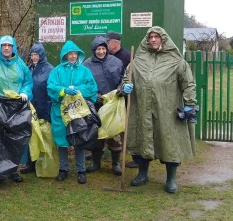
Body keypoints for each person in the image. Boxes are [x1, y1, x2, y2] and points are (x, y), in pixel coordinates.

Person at [120, 26, 197, 194]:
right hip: (142, 109)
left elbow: (189, 84)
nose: (153, 39)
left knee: (169, 142)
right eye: (151, 37)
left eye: (156, 37)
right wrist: (125, 85)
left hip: (166, 110)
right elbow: (127, 76)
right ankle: (142, 174)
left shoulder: (176, 61)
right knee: (142, 140)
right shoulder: (138, 60)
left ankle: (171, 178)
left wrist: (189, 103)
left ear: (163, 39)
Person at [0, 35, 33, 184]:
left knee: (15, 138)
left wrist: (25, 93)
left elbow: (28, 82)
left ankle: (13, 170)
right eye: (4, 45)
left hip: (15, 107)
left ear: (13, 47)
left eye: (9, 45)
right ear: (0, 47)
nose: (7, 48)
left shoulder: (20, 64)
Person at [47, 41, 97, 184]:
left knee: (79, 139)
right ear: (65, 55)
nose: (73, 56)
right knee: (62, 141)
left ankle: (81, 170)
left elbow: (92, 87)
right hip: (60, 112)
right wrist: (64, 90)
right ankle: (63, 169)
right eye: (70, 53)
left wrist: (78, 89)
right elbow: (51, 87)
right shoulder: (56, 71)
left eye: (75, 53)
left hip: (78, 111)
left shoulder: (84, 70)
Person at [83, 36, 124, 176]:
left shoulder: (116, 62)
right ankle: (96, 162)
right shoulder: (86, 65)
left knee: (114, 132)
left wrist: (121, 90)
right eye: (98, 49)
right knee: (97, 133)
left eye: (103, 49)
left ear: (106, 49)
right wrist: (94, 96)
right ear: (94, 50)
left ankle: (116, 163)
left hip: (113, 104)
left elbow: (123, 79)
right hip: (96, 105)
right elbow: (84, 83)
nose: (101, 52)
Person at [105, 30, 138, 168]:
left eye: (108, 42)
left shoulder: (127, 57)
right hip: (112, 97)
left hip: (126, 98)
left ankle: (135, 157)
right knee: (110, 124)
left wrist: (126, 88)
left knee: (127, 128)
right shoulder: (107, 56)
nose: (106, 45)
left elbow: (133, 76)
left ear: (115, 42)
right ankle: (103, 151)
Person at [20, 41, 54, 174]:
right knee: (31, 135)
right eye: (32, 55)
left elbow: (50, 89)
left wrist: (48, 109)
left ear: (42, 55)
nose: (34, 57)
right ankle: (30, 163)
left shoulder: (50, 69)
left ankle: (43, 162)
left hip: (44, 106)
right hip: (30, 107)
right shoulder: (28, 69)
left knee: (43, 136)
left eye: (37, 55)